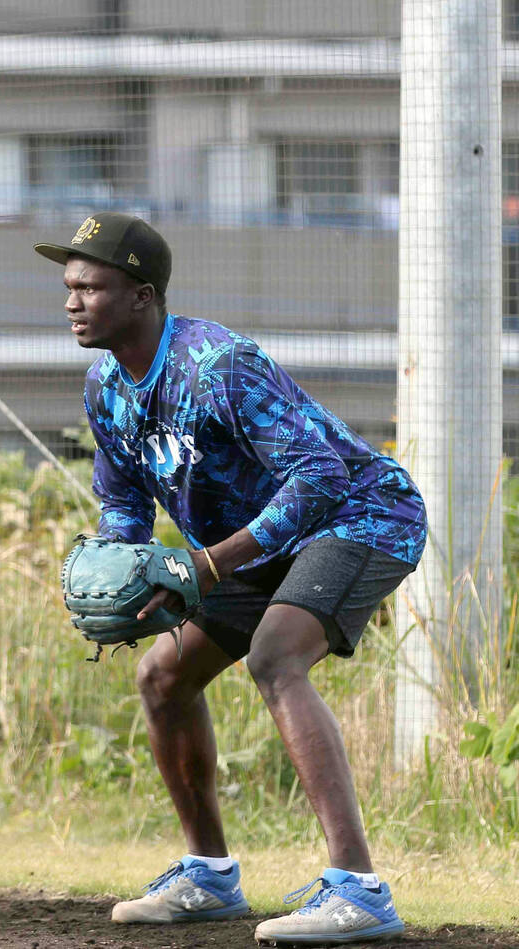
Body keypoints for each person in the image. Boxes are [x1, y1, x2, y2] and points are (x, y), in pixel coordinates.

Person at [34, 212, 425, 945]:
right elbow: (123, 502)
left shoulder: (217, 365)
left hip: (362, 513)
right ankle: (209, 876)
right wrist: (127, 571)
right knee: (162, 676)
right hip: (253, 545)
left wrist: (208, 563)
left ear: (143, 295)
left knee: (277, 656)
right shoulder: (105, 388)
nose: (72, 301)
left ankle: (359, 889)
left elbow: (321, 474)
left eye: (91, 285)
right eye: (69, 286)